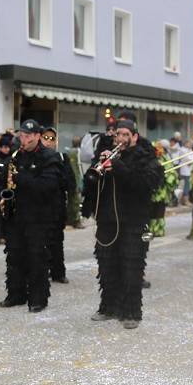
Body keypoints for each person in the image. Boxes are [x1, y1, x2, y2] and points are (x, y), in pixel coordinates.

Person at [84, 119, 162, 328]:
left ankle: (131, 313)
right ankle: (109, 307)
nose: (121, 138)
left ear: (135, 136)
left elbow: (145, 184)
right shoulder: (108, 154)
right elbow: (91, 188)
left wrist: (117, 166)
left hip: (134, 221)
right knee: (107, 264)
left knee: (131, 267)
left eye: (126, 134)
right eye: (118, 134)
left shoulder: (146, 158)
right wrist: (96, 172)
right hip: (108, 219)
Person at [0, 119, 63, 312]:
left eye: (28, 136)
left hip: (39, 217)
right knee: (14, 255)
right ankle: (16, 294)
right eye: (21, 136)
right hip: (18, 214)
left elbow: (48, 186)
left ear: (37, 136)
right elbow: (7, 178)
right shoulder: (16, 155)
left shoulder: (50, 157)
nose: (23, 140)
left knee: (37, 258)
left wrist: (22, 179)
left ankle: (38, 299)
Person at [41, 126, 73, 284]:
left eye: (51, 139)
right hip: (40, 205)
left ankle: (58, 272)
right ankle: (42, 270)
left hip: (57, 204)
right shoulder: (36, 158)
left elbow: (70, 182)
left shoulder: (62, 157)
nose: (48, 142)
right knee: (41, 240)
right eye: (45, 138)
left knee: (57, 239)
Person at [0, 132, 15, 245]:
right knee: (0, 213)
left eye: (8, 147)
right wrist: (0, 174)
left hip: (8, 188)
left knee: (8, 211)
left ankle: (7, 234)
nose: (7, 149)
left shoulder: (11, 158)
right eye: (5, 147)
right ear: (0, 147)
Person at [65, 135, 85, 229]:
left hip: (74, 180)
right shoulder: (74, 153)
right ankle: (75, 220)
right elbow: (75, 169)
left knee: (71, 200)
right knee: (75, 200)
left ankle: (70, 218)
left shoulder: (72, 152)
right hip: (75, 181)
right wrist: (77, 182)